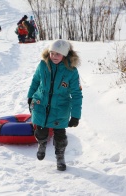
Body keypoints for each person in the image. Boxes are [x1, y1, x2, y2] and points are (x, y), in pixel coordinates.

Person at [27, 39, 83, 171]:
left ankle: (60, 156)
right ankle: (42, 144)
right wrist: (30, 96)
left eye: (58, 54)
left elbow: (76, 94)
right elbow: (35, 81)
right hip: (41, 104)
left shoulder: (71, 71)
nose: (54, 56)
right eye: (52, 53)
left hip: (60, 108)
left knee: (60, 136)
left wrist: (76, 115)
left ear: (64, 55)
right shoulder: (43, 65)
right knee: (40, 131)